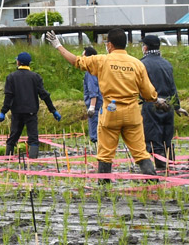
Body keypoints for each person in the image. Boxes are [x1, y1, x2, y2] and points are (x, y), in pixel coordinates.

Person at [45, 28, 162, 178]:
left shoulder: (102, 60)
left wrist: (58, 45)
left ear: (110, 45)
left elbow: (76, 61)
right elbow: (148, 93)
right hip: (132, 113)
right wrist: (156, 99)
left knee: (105, 153)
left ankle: (104, 188)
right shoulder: (137, 64)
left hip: (111, 112)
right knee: (140, 152)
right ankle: (152, 183)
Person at [0, 51, 61, 159]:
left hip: (16, 111)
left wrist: (3, 112)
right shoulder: (35, 77)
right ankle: (33, 160)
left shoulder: (11, 77)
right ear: (29, 63)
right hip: (31, 111)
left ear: (18, 62)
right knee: (33, 138)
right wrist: (53, 110)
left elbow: (9, 96)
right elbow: (44, 95)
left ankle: (8, 159)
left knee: (13, 136)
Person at [140, 35, 178, 171]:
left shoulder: (141, 64)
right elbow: (173, 87)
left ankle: (160, 165)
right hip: (168, 105)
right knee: (166, 135)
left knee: (153, 135)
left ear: (145, 47)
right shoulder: (166, 64)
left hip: (151, 103)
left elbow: (139, 87)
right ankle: (170, 162)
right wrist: (177, 106)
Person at [82, 47, 103, 147]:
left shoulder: (90, 71)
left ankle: (97, 148)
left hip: (96, 104)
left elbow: (93, 90)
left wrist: (92, 106)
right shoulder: (99, 68)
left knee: (95, 130)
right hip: (102, 102)